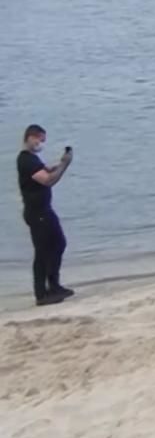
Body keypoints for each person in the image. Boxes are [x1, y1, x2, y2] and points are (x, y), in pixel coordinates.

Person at [16, 124, 75, 306]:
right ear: (30, 137)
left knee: (58, 243)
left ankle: (54, 285)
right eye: (40, 140)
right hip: (37, 213)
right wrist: (64, 165)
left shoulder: (33, 159)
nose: (41, 143)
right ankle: (41, 295)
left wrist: (58, 164)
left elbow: (45, 171)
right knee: (42, 252)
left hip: (44, 210)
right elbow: (48, 180)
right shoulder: (26, 160)